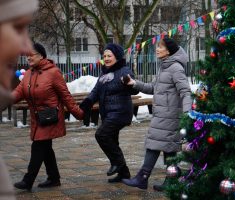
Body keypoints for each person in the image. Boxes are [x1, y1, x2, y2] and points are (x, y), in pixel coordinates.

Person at [122, 38, 192, 191]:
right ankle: (171, 181)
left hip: (170, 116)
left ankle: (143, 177)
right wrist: (134, 83)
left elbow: (185, 92)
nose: (157, 49)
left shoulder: (175, 68)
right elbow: (153, 87)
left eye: (160, 47)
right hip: (163, 114)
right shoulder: (164, 67)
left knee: (154, 144)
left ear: (168, 50)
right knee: (169, 148)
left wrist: (187, 114)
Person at [12, 43, 84, 191]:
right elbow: (17, 93)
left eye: (32, 54)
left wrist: (79, 113)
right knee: (46, 148)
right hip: (37, 119)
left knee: (38, 146)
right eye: (27, 55)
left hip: (50, 117)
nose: (28, 57)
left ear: (41, 55)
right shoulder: (28, 74)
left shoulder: (53, 72)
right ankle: (54, 178)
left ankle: (28, 180)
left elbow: (66, 95)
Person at [80, 43, 138, 183]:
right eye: (104, 56)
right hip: (108, 113)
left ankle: (117, 162)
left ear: (117, 57)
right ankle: (124, 174)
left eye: (109, 56)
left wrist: (129, 84)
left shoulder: (124, 71)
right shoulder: (104, 73)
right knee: (112, 141)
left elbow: (134, 89)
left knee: (101, 134)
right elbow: (96, 91)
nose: (106, 58)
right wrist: (88, 102)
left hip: (120, 112)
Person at [0, 0, 38, 199]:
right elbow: (21, 91)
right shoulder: (28, 75)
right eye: (17, 27)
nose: (27, 48)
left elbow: (62, 93)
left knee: (43, 151)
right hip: (37, 123)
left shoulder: (51, 73)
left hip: (48, 121)